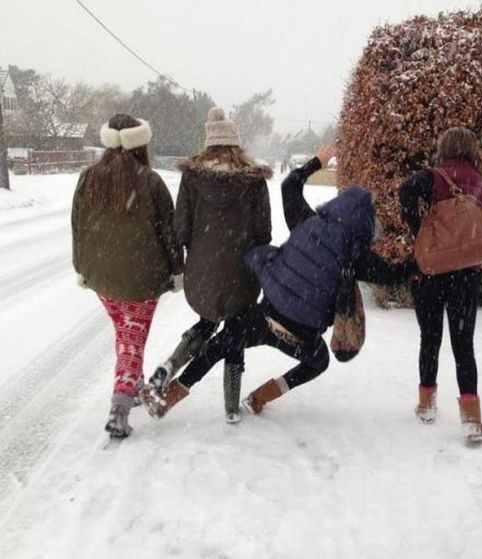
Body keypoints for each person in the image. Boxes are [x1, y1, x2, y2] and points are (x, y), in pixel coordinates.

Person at [143, 146, 414, 419]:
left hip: (266, 318)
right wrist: (421, 251)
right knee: (319, 362)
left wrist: (316, 162)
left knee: (220, 344)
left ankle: (169, 397)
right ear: (365, 225)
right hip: (301, 337)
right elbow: (395, 274)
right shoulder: (357, 255)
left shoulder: (306, 221)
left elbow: (289, 185)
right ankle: (263, 395)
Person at [147, 107, 272, 423]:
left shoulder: (192, 178)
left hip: (202, 272)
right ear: (235, 143)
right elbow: (264, 233)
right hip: (242, 274)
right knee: (235, 331)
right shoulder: (254, 180)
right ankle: (231, 406)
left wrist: (199, 253)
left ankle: (171, 364)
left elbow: (181, 229)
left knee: (206, 323)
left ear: (208, 143)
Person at [71, 114, 183, 439]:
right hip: (142, 280)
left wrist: (81, 267)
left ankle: (133, 385)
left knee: (126, 334)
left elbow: (78, 227)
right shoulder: (151, 182)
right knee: (132, 339)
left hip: (101, 277)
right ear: (140, 144)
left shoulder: (88, 178)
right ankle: (119, 410)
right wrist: (177, 270)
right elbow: (170, 234)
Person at [398, 127, 482, 445]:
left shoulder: (433, 178)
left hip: (430, 271)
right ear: (472, 150)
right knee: (463, 345)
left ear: (445, 148)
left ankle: (426, 405)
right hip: (465, 276)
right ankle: (471, 419)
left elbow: (405, 191)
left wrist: (418, 228)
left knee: (430, 339)